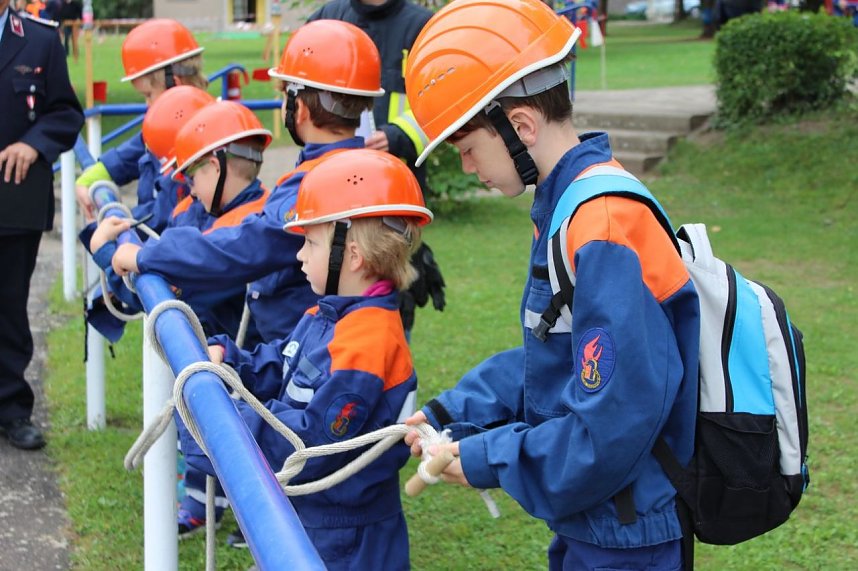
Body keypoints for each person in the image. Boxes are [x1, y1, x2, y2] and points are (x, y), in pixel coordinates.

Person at [401, 0, 700, 569]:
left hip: (628, 528)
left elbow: (613, 420)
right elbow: (558, 360)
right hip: (598, 514)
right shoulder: (566, 206)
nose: (467, 167)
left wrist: (492, 455)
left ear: (520, 127)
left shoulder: (600, 224)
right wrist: (456, 410)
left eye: (468, 149)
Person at [180, 148, 432, 570]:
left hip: (346, 539)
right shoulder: (327, 314)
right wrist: (231, 360)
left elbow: (312, 446)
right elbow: (281, 364)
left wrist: (224, 420)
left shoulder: (368, 341)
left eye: (310, 243)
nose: (299, 256)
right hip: (311, 516)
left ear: (351, 255)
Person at [307, 0, 447, 339]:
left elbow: (442, 101)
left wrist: (397, 136)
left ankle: (389, 379)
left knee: (390, 304)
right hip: (332, 195)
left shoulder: (422, 28)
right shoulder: (328, 18)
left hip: (393, 196)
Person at [0, 1, 84, 449]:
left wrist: (34, 144)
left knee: (10, 308)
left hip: (13, 200)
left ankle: (12, 410)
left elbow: (66, 113)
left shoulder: (41, 39)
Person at [74, 19, 208, 228]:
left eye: (148, 95)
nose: (147, 105)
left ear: (176, 86)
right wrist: (92, 176)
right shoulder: (164, 129)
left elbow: (164, 217)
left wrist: (123, 226)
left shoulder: (199, 143)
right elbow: (130, 154)